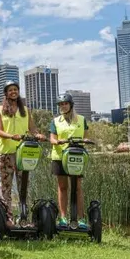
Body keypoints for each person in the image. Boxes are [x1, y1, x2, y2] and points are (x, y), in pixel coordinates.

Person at [0, 80, 44, 227]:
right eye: (10, 90)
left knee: (23, 186)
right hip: (6, 152)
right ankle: (8, 217)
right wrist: (11, 136)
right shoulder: (0, 109)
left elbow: (32, 129)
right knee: (6, 187)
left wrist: (38, 135)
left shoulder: (25, 110)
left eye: (15, 89)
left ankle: (23, 217)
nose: (13, 92)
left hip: (23, 152)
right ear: (6, 93)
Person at [49, 93, 91, 228]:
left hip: (76, 156)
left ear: (71, 104)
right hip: (59, 157)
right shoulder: (56, 121)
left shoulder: (81, 119)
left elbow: (85, 136)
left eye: (65, 103)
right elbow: (52, 138)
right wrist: (57, 141)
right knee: (62, 187)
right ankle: (63, 218)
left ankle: (81, 218)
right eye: (61, 104)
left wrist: (86, 140)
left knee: (77, 187)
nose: (63, 106)